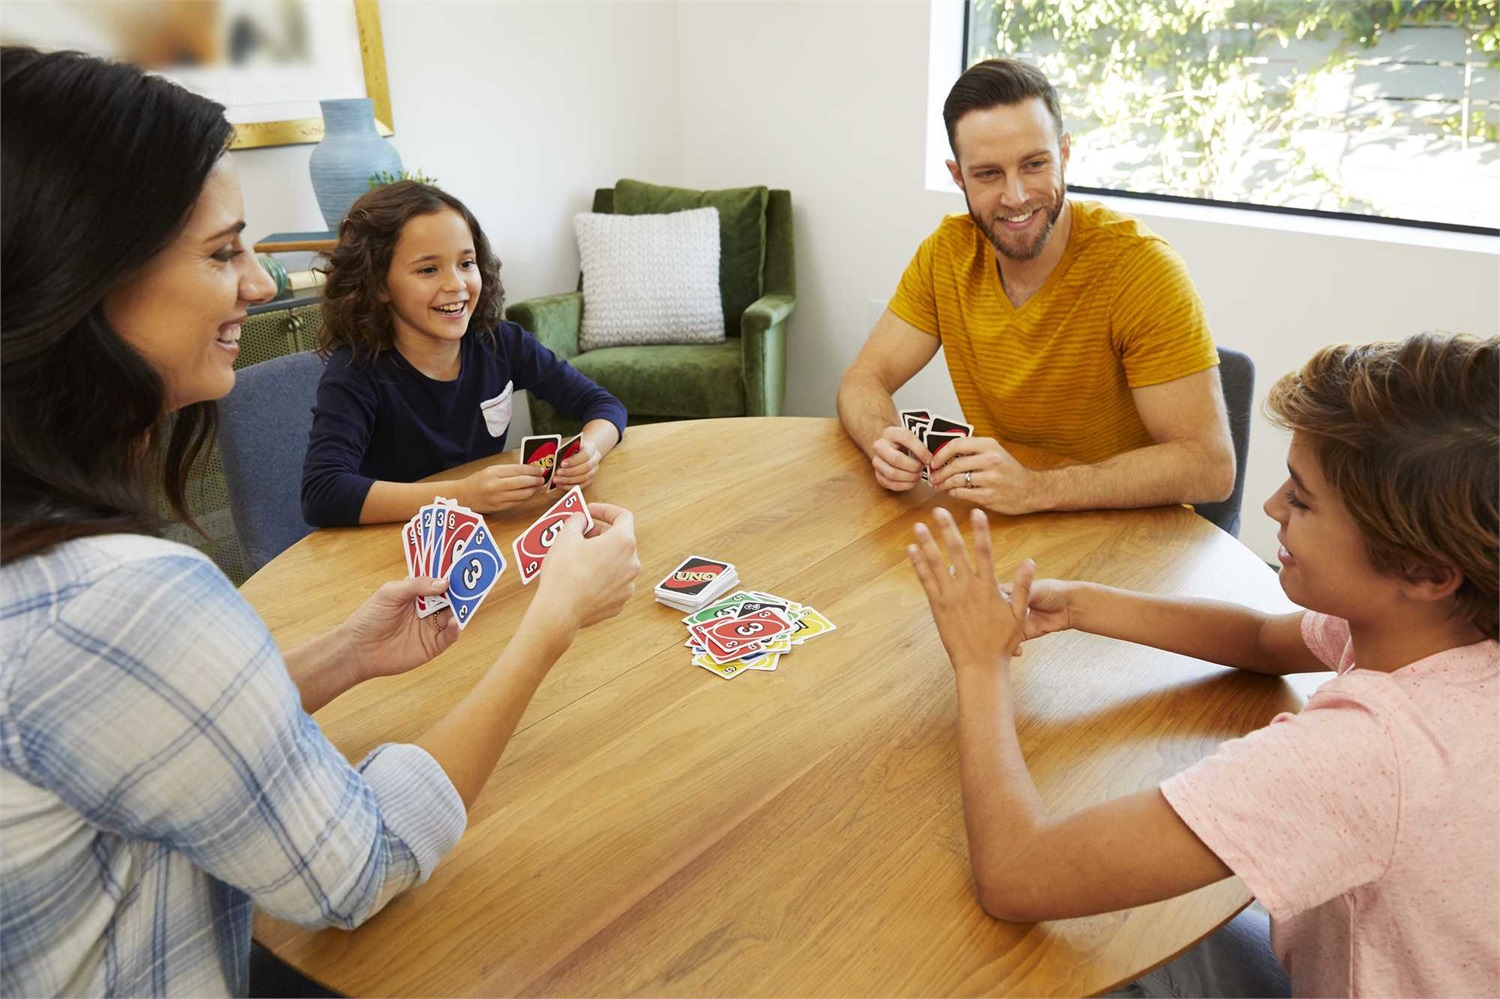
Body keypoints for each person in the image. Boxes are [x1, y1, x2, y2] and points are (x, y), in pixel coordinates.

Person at [0, 47, 641, 998]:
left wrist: (338, 656)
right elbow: (361, 865)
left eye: (466, 263)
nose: (261, 285)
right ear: (79, 277)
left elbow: (141, 740)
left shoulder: (503, 342)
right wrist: (553, 614)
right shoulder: (126, 596)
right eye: (224, 253)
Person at [906, 331, 1498, 997]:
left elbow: (1016, 874)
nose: (1272, 506)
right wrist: (1080, 605)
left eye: (1301, 499)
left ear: (1425, 571)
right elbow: (1261, 641)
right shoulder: (1446, 630)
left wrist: (980, 664)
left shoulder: (1370, 755)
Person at [838, 58, 1234, 515]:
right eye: (988, 174)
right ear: (957, 176)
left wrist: (1035, 489)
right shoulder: (947, 252)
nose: (1016, 196)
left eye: (1034, 164)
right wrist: (881, 442)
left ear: (1064, 154)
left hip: (1134, 538)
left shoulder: (1140, 268)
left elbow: (1210, 466)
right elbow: (862, 380)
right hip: (1011, 525)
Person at [301, 181, 626, 527]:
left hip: (485, 536)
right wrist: (461, 495)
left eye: (466, 263)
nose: (456, 284)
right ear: (379, 284)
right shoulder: (356, 371)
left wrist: (590, 449)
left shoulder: (501, 341)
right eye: (428, 269)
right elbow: (323, 493)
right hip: (396, 552)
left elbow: (604, 406)